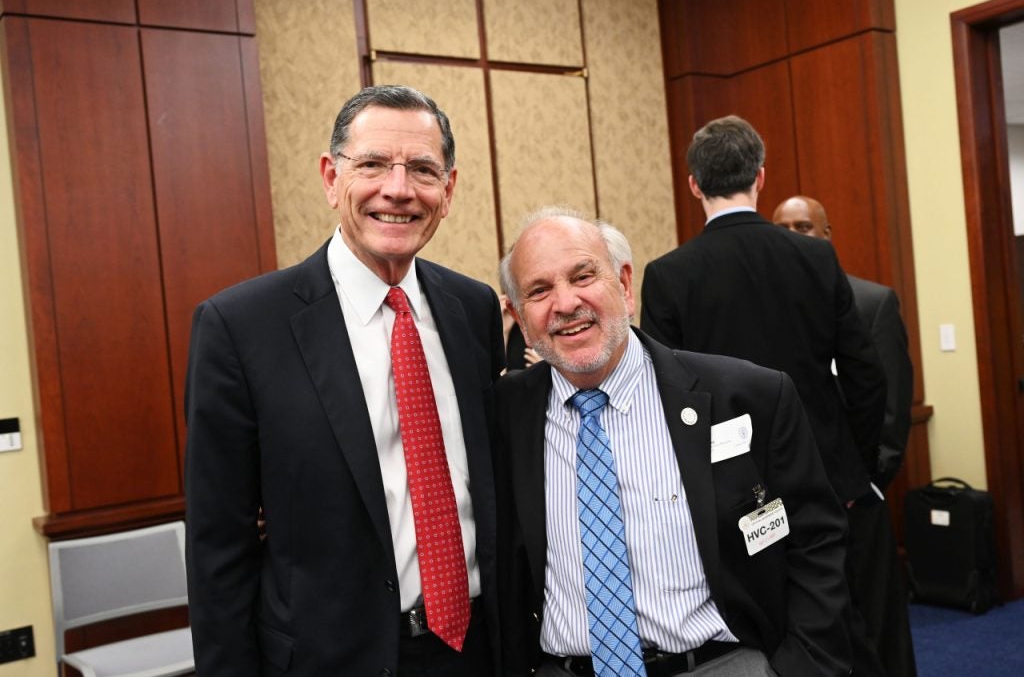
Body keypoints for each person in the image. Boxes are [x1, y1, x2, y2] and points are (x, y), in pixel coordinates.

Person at [184, 85, 504, 676]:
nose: (399, 189)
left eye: (423, 170)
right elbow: (217, 549)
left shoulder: (473, 309)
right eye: (374, 164)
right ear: (332, 178)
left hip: (480, 651)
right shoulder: (241, 327)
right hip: (330, 660)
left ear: (448, 190)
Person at [494, 206, 853, 676]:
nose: (564, 304)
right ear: (520, 317)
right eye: (539, 291)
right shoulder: (503, 415)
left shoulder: (748, 397)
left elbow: (816, 542)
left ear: (624, 285)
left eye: (583, 276)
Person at [640, 115, 889, 676]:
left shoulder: (670, 275)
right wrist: (856, 468)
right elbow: (865, 375)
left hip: (726, 495)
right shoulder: (817, 257)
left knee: (756, 636)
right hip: (827, 481)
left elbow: (663, 398)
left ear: (693, 185)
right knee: (844, 630)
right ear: (760, 176)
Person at [773, 194, 917, 676]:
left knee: (876, 631)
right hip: (793, 502)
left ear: (827, 237)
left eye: (804, 228)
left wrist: (871, 482)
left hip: (859, 498)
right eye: (783, 229)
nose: (794, 237)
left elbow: (891, 405)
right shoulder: (771, 312)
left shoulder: (871, 301)